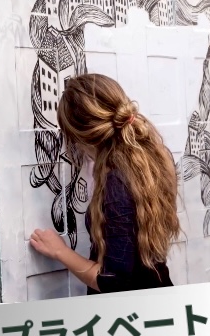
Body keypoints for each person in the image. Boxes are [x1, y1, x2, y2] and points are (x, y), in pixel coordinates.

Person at [30, 73, 180, 294]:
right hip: (159, 295)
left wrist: (60, 251)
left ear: (82, 137)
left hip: (131, 309)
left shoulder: (117, 183)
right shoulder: (157, 156)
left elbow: (113, 281)